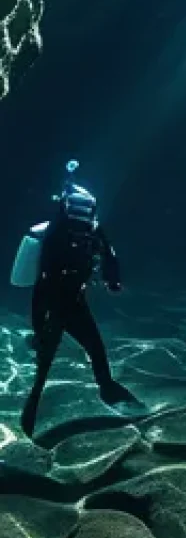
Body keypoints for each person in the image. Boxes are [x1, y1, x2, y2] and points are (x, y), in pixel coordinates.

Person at [20, 162, 137, 438]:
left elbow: (42, 285)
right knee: (83, 350)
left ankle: (102, 388)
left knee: (71, 352)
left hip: (62, 299)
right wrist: (113, 282)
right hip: (65, 300)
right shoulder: (82, 231)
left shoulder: (68, 231)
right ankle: (37, 406)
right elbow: (109, 256)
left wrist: (39, 326)